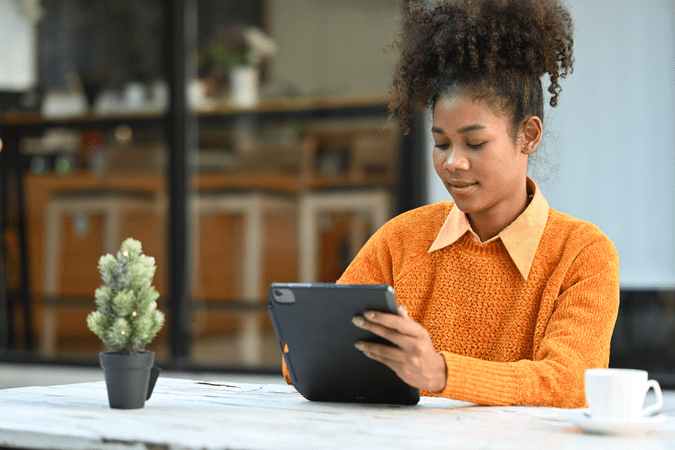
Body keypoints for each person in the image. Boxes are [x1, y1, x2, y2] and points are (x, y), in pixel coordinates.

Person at [284, 0, 620, 408]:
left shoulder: (582, 253)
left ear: (529, 135)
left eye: (475, 143)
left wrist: (440, 372)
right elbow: (306, 361)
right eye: (440, 142)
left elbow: (570, 383)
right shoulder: (402, 238)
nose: (452, 162)